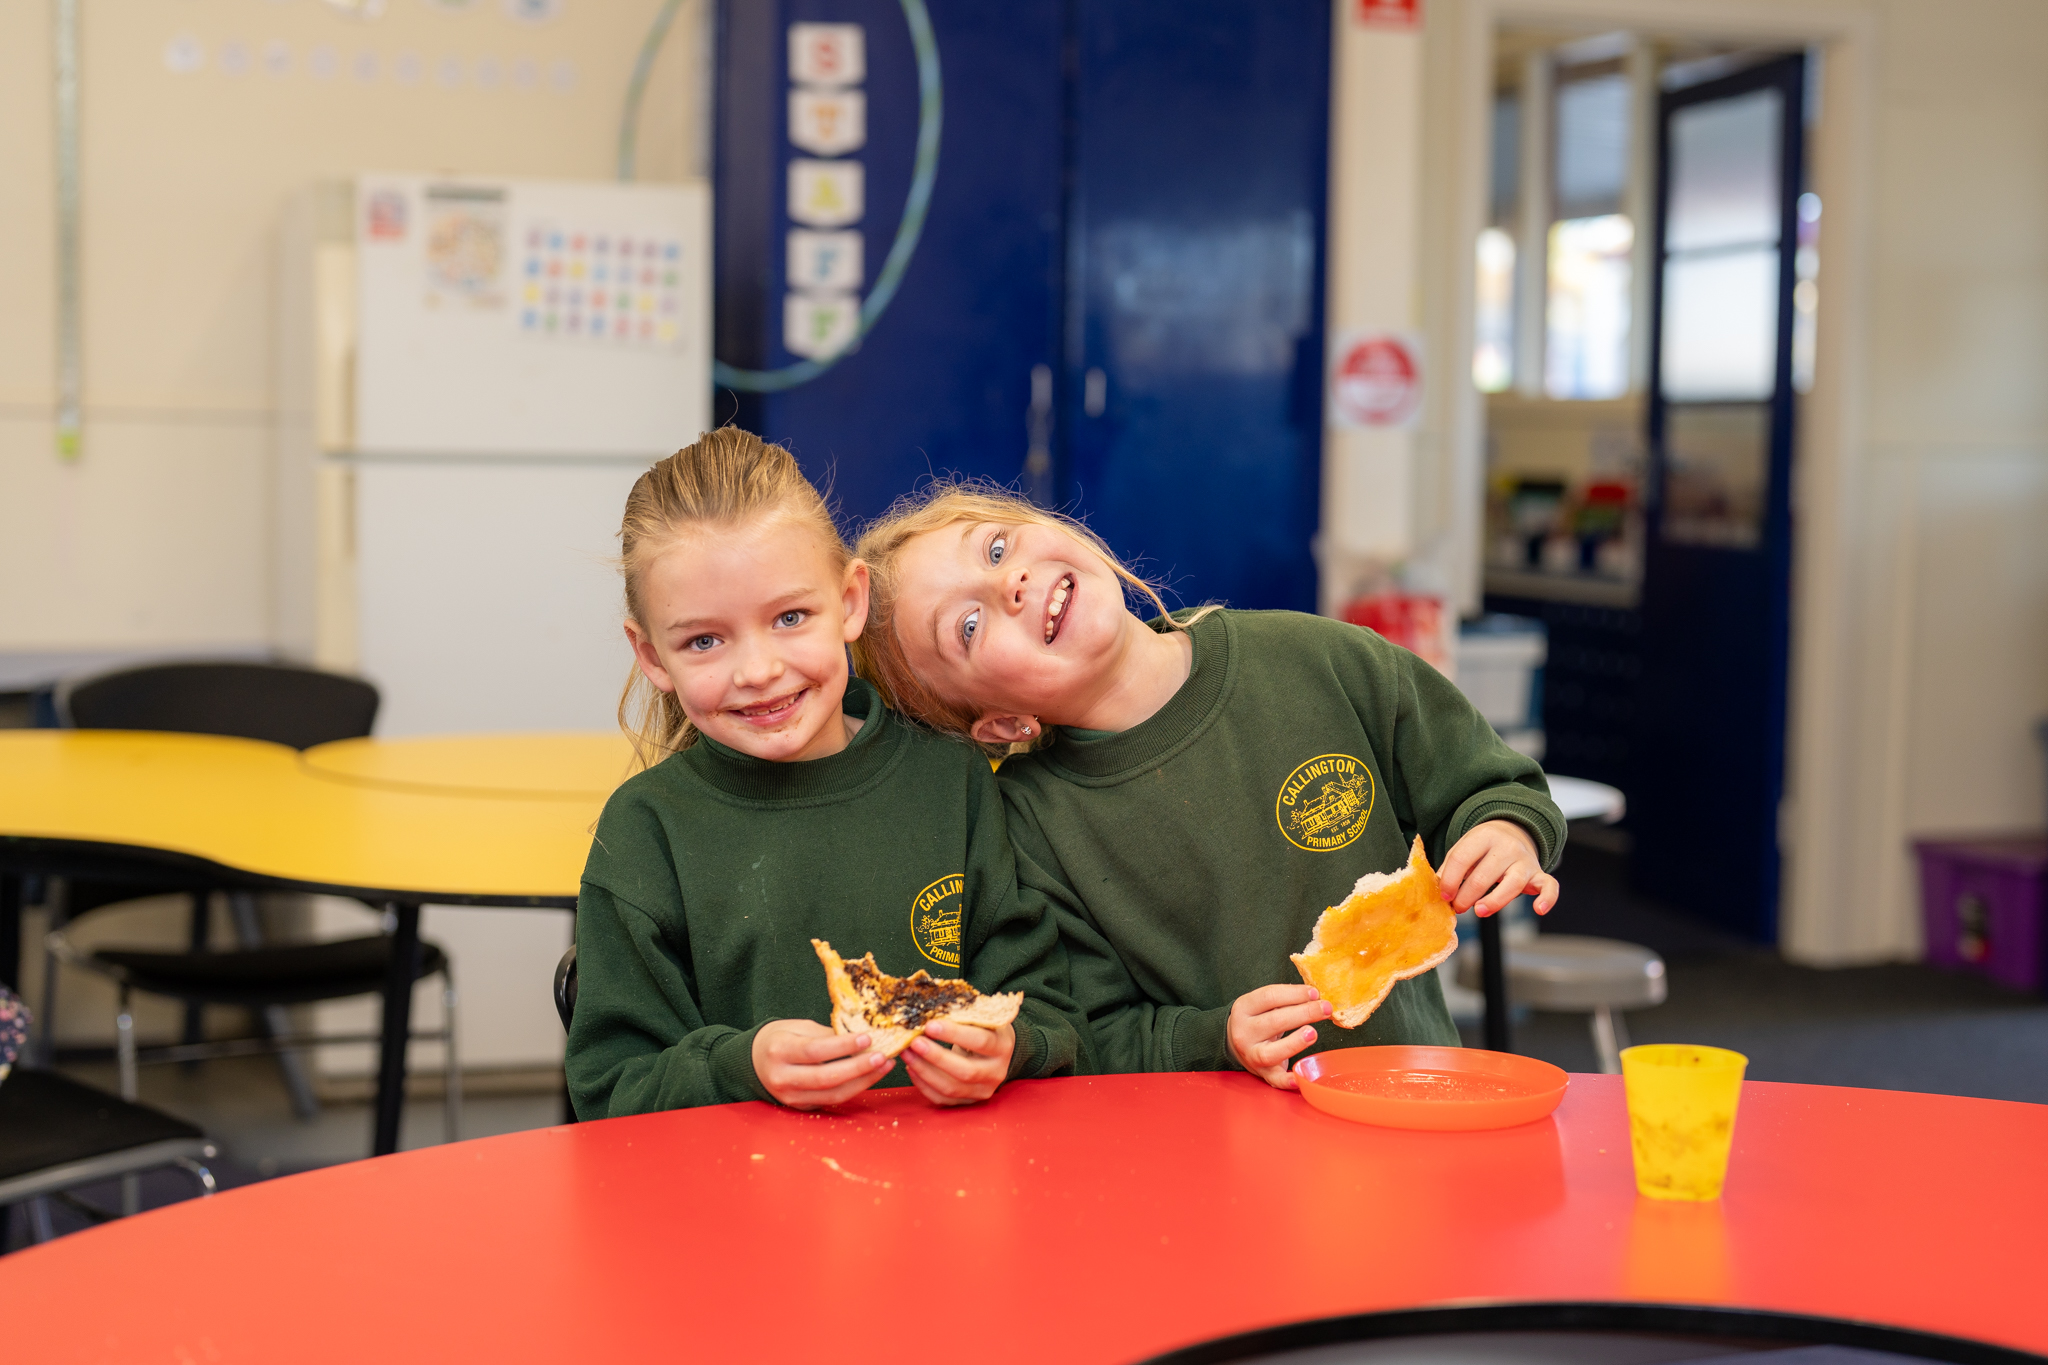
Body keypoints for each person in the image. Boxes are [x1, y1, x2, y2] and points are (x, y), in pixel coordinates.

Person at [850, 482, 1564, 1089]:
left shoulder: (1320, 659)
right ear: (1004, 723)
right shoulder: (1030, 827)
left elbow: (1492, 783)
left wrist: (1505, 829)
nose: (1009, 583)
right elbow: (1094, 1032)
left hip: (1417, 1100)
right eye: (969, 626)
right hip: (1219, 1157)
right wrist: (1214, 1036)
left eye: (997, 548)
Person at [566, 435, 1080, 1117]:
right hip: (736, 1182)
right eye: (704, 640)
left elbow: (1051, 1010)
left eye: (790, 617)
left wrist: (1009, 1048)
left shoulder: (953, 780)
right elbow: (610, 1088)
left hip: (951, 1175)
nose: (759, 670)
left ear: (850, 601)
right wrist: (741, 1065)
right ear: (653, 656)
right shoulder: (645, 830)